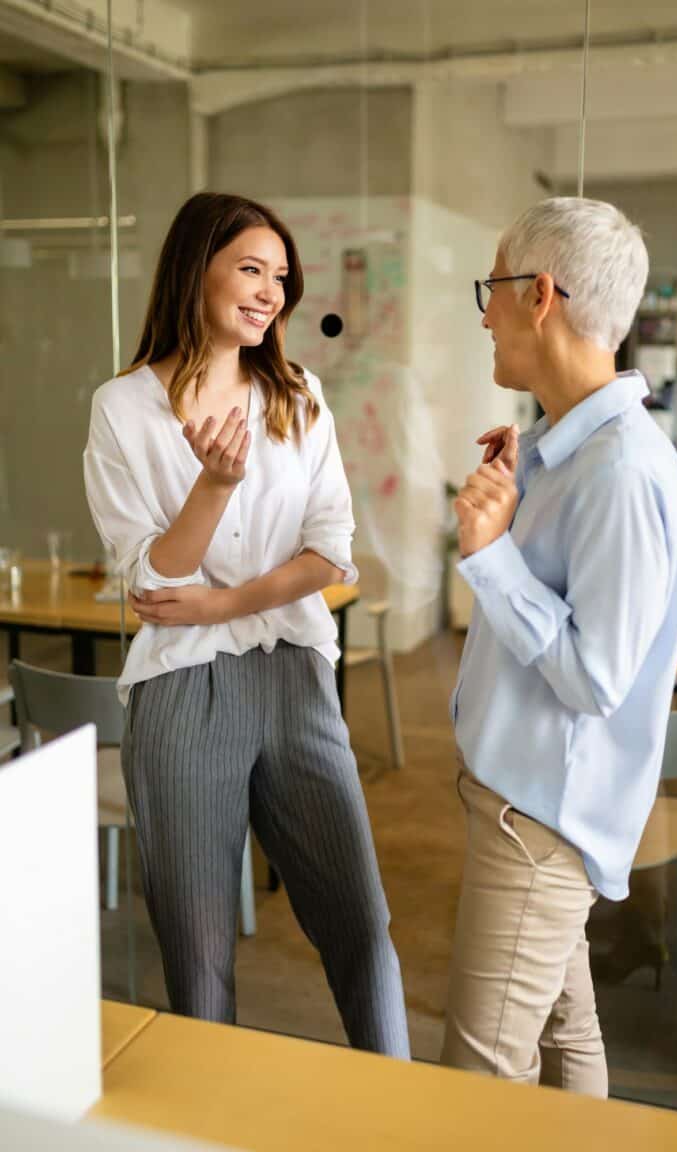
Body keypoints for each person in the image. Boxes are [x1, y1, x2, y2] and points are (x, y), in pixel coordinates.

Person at [83, 191, 409, 1057]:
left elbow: (332, 551)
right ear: (197, 271)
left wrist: (226, 603)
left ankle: (408, 1110)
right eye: (251, 269)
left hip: (296, 676)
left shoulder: (297, 395)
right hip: (180, 693)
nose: (271, 291)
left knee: (362, 926)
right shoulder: (122, 409)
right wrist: (214, 486)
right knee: (196, 956)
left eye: (280, 276)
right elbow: (152, 581)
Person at [440, 197, 677, 1096]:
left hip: (539, 822)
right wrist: (527, 482)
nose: (485, 313)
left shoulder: (620, 469)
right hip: (530, 806)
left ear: (539, 294)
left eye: (494, 289)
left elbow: (596, 677)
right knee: (564, 1032)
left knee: (478, 1079)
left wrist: (492, 557)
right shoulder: (576, 449)